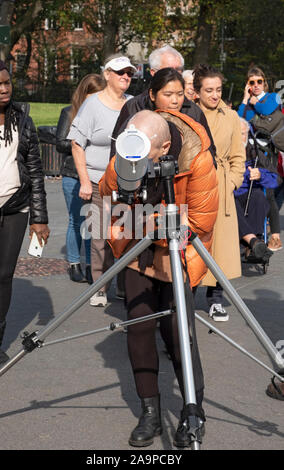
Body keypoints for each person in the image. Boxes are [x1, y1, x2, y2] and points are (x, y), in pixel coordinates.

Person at [99, 109, 218, 448]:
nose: (132, 160)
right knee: (137, 324)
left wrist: (159, 229)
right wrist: (122, 174)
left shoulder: (197, 159)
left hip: (180, 249)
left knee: (178, 332)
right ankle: (149, 411)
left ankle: (193, 412)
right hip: (139, 246)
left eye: (143, 155)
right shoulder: (128, 151)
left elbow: (202, 219)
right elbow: (108, 200)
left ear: (165, 147)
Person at [0, 53, 50, 367]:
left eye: (7, 82)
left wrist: (39, 218)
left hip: (15, 209)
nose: (4, 89)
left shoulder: (22, 118)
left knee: (3, 277)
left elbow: (35, 171)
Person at [67, 55, 136, 307]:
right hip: (98, 180)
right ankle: (99, 285)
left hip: (128, 182)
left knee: (127, 234)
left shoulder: (133, 103)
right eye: (120, 72)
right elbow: (77, 144)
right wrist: (85, 181)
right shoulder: (92, 104)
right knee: (99, 235)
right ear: (107, 74)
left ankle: (124, 285)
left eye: (129, 73)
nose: (125, 77)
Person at [194, 64, 246, 322]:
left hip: (223, 186)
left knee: (221, 246)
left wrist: (233, 181)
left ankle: (216, 299)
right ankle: (185, 296)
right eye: (209, 90)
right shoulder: (190, 114)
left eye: (219, 90)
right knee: (193, 242)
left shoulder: (231, 116)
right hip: (195, 186)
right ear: (198, 91)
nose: (215, 95)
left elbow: (239, 155)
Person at [110, 45, 216, 164]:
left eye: (179, 69)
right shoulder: (134, 107)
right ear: (153, 73)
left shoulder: (193, 111)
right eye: (169, 70)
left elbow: (209, 155)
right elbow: (117, 155)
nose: (174, 74)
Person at [56, 74, 105, 284]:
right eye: (92, 95)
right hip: (73, 174)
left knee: (92, 222)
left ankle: (89, 264)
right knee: (76, 220)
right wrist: (82, 142)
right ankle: (75, 263)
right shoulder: (69, 112)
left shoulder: (103, 113)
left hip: (96, 175)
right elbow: (60, 142)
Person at [238, 66, 282, 251]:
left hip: (268, 151)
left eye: (259, 81)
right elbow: (239, 117)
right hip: (251, 151)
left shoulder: (272, 97)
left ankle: (275, 236)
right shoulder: (248, 101)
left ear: (265, 82)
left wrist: (255, 102)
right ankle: (254, 233)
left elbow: (267, 109)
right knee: (251, 190)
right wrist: (245, 100)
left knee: (269, 192)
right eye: (251, 82)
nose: (256, 85)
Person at [235, 118, 277, 262]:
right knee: (228, 203)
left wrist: (260, 174)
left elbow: (275, 179)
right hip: (230, 193)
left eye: (243, 134)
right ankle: (253, 242)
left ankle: (253, 243)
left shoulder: (256, 154)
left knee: (259, 197)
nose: (240, 138)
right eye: (236, 134)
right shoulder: (223, 152)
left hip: (250, 193)